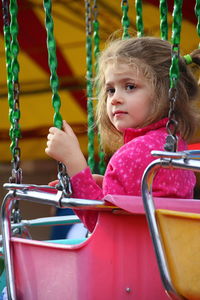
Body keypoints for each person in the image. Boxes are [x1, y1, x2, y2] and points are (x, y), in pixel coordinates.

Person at [46, 36, 200, 232]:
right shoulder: (172, 145)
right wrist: (103, 182)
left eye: (130, 87)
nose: (115, 99)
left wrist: (74, 164)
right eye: (110, 90)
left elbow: (103, 226)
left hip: (135, 258)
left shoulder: (133, 153)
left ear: (165, 92)